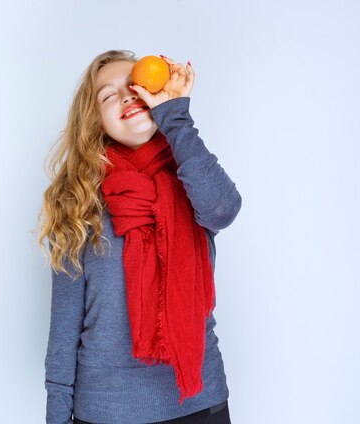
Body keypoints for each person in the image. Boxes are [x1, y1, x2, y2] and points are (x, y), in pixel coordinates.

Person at [36, 49, 242, 424]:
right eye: (108, 95)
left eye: (134, 85)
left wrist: (175, 117)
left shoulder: (190, 176)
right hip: (106, 411)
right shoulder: (78, 201)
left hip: (198, 405)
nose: (127, 95)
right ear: (95, 122)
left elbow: (222, 210)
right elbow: (64, 332)